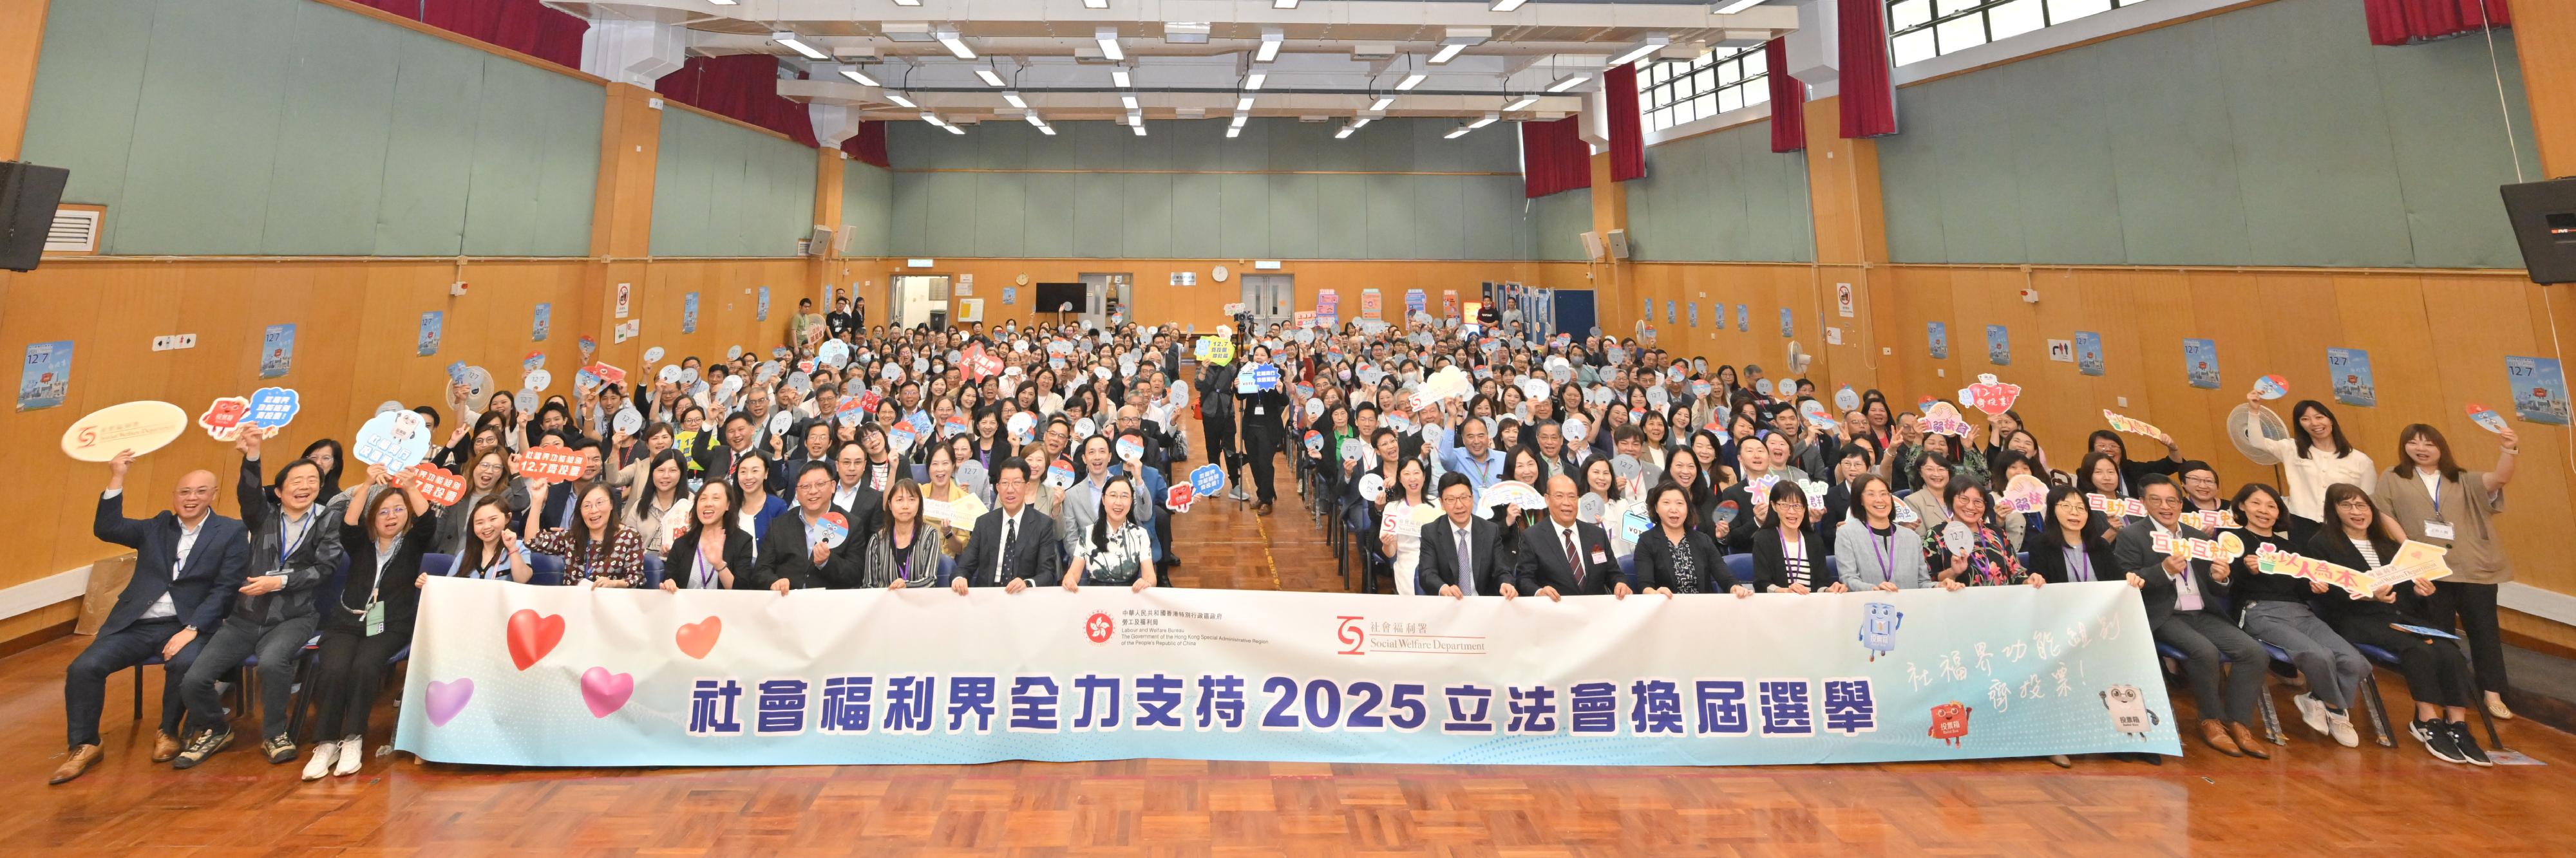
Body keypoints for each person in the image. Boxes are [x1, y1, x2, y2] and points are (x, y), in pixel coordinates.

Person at [52, 452, 249, 785]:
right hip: (137, 624)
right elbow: (107, 527)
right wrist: (117, 476)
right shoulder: (156, 527)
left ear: (214, 495)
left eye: (200, 491)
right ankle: (86, 744)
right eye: (184, 492)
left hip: (189, 624)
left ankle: (168, 732)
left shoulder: (230, 530)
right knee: (83, 668)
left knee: (183, 663)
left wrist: (192, 629)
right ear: (174, 496)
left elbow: (226, 588)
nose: (191, 498)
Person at [164, 435, 336, 770]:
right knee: (195, 679)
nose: (305, 487)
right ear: (279, 491)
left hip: (294, 617)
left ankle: (275, 734)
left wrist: (280, 581)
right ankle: (217, 729)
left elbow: (325, 569)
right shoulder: (262, 516)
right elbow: (248, 492)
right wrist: (253, 455)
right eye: (296, 481)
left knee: (272, 664)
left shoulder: (327, 519)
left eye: (312, 481)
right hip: (245, 617)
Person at [2305, 483, 2489, 766]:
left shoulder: (2389, 546)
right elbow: (2328, 594)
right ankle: (2426, 721)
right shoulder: (2321, 544)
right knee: (2418, 649)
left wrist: (2419, 592)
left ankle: (2457, 724)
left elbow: (2405, 596)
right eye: (2347, 505)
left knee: (2449, 649)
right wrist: (2370, 596)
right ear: (2334, 510)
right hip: (2355, 618)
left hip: (2397, 616)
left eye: (2362, 505)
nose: (2357, 512)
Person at [2114, 476, 2272, 759]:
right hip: (2164, 614)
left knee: (2254, 653)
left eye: (2172, 501)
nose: (2165, 507)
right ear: (2143, 503)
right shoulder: (2132, 536)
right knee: (2204, 651)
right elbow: (2126, 580)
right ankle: (2210, 720)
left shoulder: (2197, 537)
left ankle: (2238, 723)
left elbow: (2215, 587)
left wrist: (2220, 578)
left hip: (2202, 612)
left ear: (2181, 503)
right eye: (2156, 500)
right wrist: (2163, 570)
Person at [2376, 423, 2518, 720]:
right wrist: (2409, 547)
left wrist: (2508, 450)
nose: (2421, 449)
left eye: (2429, 443)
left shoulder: (2462, 478)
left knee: (2484, 631)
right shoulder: (2393, 476)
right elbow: (2384, 512)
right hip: (2428, 569)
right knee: (2437, 632)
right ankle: (2446, 690)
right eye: (2413, 443)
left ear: (2442, 448)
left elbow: (2499, 479)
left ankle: (2492, 692)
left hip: (2474, 567)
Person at [303, 465, 436, 781]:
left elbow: (428, 522)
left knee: (364, 667)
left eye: (398, 510)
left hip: (390, 625)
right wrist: (365, 484)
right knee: (334, 668)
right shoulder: (361, 543)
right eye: (384, 512)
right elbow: (348, 523)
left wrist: (411, 487)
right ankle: (326, 743)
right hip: (346, 620)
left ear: (407, 515)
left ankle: (353, 738)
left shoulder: (412, 544)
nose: (391, 517)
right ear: (373, 518)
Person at [2226, 483, 2365, 748]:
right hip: (2258, 611)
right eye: (2256, 503)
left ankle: (2316, 699)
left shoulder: (2292, 547)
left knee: (2354, 660)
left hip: (2300, 612)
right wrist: (2246, 571)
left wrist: (2314, 588)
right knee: (2318, 655)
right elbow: (2223, 584)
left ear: (2279, 512)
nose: (2264, 511)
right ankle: (2337, 710)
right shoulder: (2231, 540)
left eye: (2271, 506)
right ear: (2242, 506)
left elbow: (2301, 589)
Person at [2235, 395, 2376, 539]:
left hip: (2341, 528)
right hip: (2300, 524)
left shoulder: (2361, 460)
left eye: (2319, 417)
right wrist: (2254, 410)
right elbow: (2257, 442)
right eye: (2305, 419)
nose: (2314, 423)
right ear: (2300, 425)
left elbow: (2368, 503)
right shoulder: (2292, 449)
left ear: (2331, 420)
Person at [950, 458, 1063, 592]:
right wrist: (959, 578)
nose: (1010, 490)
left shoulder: (1042, 524)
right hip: (988, 595)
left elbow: (1048, 573)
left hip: (1023, 594)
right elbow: (964, 566)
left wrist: (1027, 584)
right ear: (998, 488)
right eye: (1005, 483)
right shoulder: (983, 523)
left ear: (1027, 487)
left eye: (1016, 483)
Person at [749, 462, 866, 592]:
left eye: (820, 484)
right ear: (797, 492)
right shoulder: (779, 525)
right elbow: (761, 571)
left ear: (833, 486)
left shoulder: (851, 524)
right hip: (788, 600)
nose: (813, 491)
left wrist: (827, 562)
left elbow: (856, 575)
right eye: (805, 486)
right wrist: (773, 582)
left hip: (830, 601)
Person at [1511, 475, 1630, 601]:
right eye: (1559, 496)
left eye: (1572, 497)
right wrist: (1539, 592)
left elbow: (1613, 573)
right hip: (1555, 609)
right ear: (1547, 499)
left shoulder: (1597, 534)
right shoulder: (1532, 537)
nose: (1567, 503)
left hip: (1595, 609)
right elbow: (1524, 579)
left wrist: (1619, 583)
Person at [1633, 483, 1750, 597]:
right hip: (1666, 606)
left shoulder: (1703, 540)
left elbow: (1726, 578)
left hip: (1701, 606)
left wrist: (1735, 587)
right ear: (1656, 508)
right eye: (1666, 503)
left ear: (1688, 508)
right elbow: (1645, 585)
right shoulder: (1646, 541)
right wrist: (1654, 594)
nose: (1674, 509)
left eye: (1680, 503)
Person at [523, 481, 645, 587]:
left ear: (612, 505)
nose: (594, 510)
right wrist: (537, 501)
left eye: (600, 503)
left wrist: (614, 584)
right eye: (587, 506)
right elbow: (532, 541)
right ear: (580, 511)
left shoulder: (629, 537)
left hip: (610, 603)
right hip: (575, 602)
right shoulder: (572, 537)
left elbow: (636, 578)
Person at [1834, 475, 1938, 592]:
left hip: (1908, 602)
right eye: (1871, 494)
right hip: (1869, 601)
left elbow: (1922, 583)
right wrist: (1874, 589)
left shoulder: (1912, 537)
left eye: (1884, 494)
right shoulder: (1847, 534)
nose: (1879, 499)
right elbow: (1848, 579)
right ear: (1860, 500)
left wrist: (1938, 586)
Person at [1923, 483, 2033, 588]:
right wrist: (1953, 572)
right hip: (1958, 600)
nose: (1971, 507)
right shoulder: (1936, 535)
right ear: (1951, 499)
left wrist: (2029, 581)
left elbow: (2017, 574)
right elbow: (1930, 582)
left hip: (2001, 599)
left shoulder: (1997, 532)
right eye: (1964, 499)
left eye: (1978, 502)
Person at [1419, 473, 1508, 597]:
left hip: (1483, 604)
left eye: (1464, 497)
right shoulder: (1431, 532)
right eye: (1451, 499)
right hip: (1449, 603)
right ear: (1442, 503)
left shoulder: (1490, 530)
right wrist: (1443, 588)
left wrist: (1505, 583)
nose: (1459, 505)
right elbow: (1427, 573)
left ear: (1472, 499)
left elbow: (1501, 570)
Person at [1063, 478, 1157, 592]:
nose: (1118, 502)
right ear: (1103, 499)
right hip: (1095, 598)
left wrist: (1146, 583)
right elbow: (1073, 573)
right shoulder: (1088, 533)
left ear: (1131, 501)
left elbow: (1150, 576)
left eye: (1125, 496)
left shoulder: (1140, 534)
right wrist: (1069, 580)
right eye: (1113, 496)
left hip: (1130, 597)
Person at [2024, 487, 2125, 586]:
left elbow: (2118, 579)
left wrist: (2129, 578)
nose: (2074, 512)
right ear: (2052, 510)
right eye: (2066, 506)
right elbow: (2038, 586)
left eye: (2080, 507)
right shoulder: (2041, 545)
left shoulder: (2100, 544)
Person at [1751, 481, 1840, 594]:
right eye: (1785, 505)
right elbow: (1761, 584)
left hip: (1811, 603)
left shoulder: (1815, 541)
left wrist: (1828, 590)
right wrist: (1785, 591)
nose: (1792, 511)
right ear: (1774, 506)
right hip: (1778, 603)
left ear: (1804, 508)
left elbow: (1821, 584)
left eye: (1797, 506)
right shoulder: (1764, 539)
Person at [663, 481, 753, 591]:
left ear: (728, 505)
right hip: (687, 602)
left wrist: (719, 565)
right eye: (703, 499)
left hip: (723, 602)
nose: (708, 503)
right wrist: (669, 583)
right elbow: (669, 579)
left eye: (716, 498)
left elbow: (741, 591)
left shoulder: (743, 541)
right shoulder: (681, 543)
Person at [859, 478, 945, 588]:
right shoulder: (877, 540)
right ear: (890, 505)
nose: (905, 506)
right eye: (899, 500)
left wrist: (906, 586)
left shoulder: (930, 535)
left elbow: (930, 580)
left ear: (919, 504)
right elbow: (869, 585)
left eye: (912, 500)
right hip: (886, 598)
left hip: (920, 598)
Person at [1236, 346, 1292, 516]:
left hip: (1269, 427)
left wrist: (1280, 390)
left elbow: (1284, 401)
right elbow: (1240, 397)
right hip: (1251, 425)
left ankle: (1267, 500)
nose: (1259, 357)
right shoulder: (1247, 372)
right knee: (1254, 463)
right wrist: (1237, 386)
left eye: (1263, 355)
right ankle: (1263, 494)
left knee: (1265, 463)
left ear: (1269, 359)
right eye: (1256, 355)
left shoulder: (1275, 374)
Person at [1376, 458, 1433, 597]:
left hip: (1436, 561)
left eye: (1416, 473)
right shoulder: (1392, 508)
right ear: (1400, 480)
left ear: (1424, 476)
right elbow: (1390, 553)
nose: (1412, 478)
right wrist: (1387, 544)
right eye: (1407, 474)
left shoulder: (1438, 504)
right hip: (1408, 563)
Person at [445, 496, 533, 583]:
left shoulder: (518, 547)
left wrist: (512, 549)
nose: (486, 527)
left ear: (507, 518)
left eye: (493, 519)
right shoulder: (464, 555)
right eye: (480, 523)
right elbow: (449, 585)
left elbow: (522, 580)